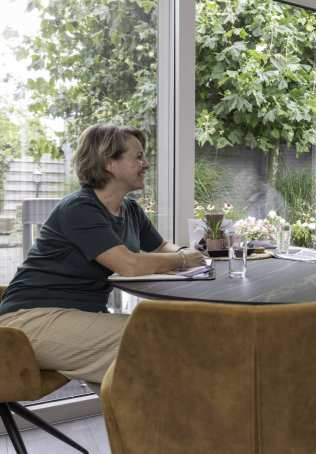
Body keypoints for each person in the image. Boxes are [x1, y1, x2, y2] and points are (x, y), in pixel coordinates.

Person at [0, 124, 204, 392]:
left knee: (133, 378)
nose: (146, 164)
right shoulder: (79, 208)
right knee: (153, 336)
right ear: (109, 163)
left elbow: (161, 246)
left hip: (79, 314)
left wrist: (184, 252)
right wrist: (183, 260)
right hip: (28, 322)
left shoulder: (129, 209)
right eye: (138, 157)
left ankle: (148, 431)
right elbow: (129, 265)